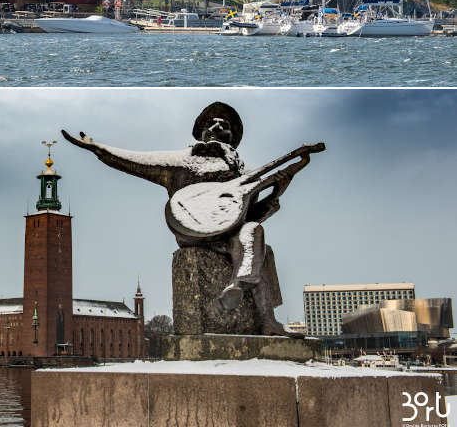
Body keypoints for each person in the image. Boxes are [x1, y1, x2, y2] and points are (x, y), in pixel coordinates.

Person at [63, 103, 323, 336]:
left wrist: (277, 192)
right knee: (253, 243)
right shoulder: (181, 162)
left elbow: (246, 214)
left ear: (232, 138)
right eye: (212, 122)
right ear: (201, 132)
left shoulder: (243, 173)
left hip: (228, 234)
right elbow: (132, 161)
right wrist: (97, 148)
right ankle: (251, 298)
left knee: (254, 232)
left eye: (226, 125)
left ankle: (259, 311)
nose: (218, 126)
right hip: (193, 231)